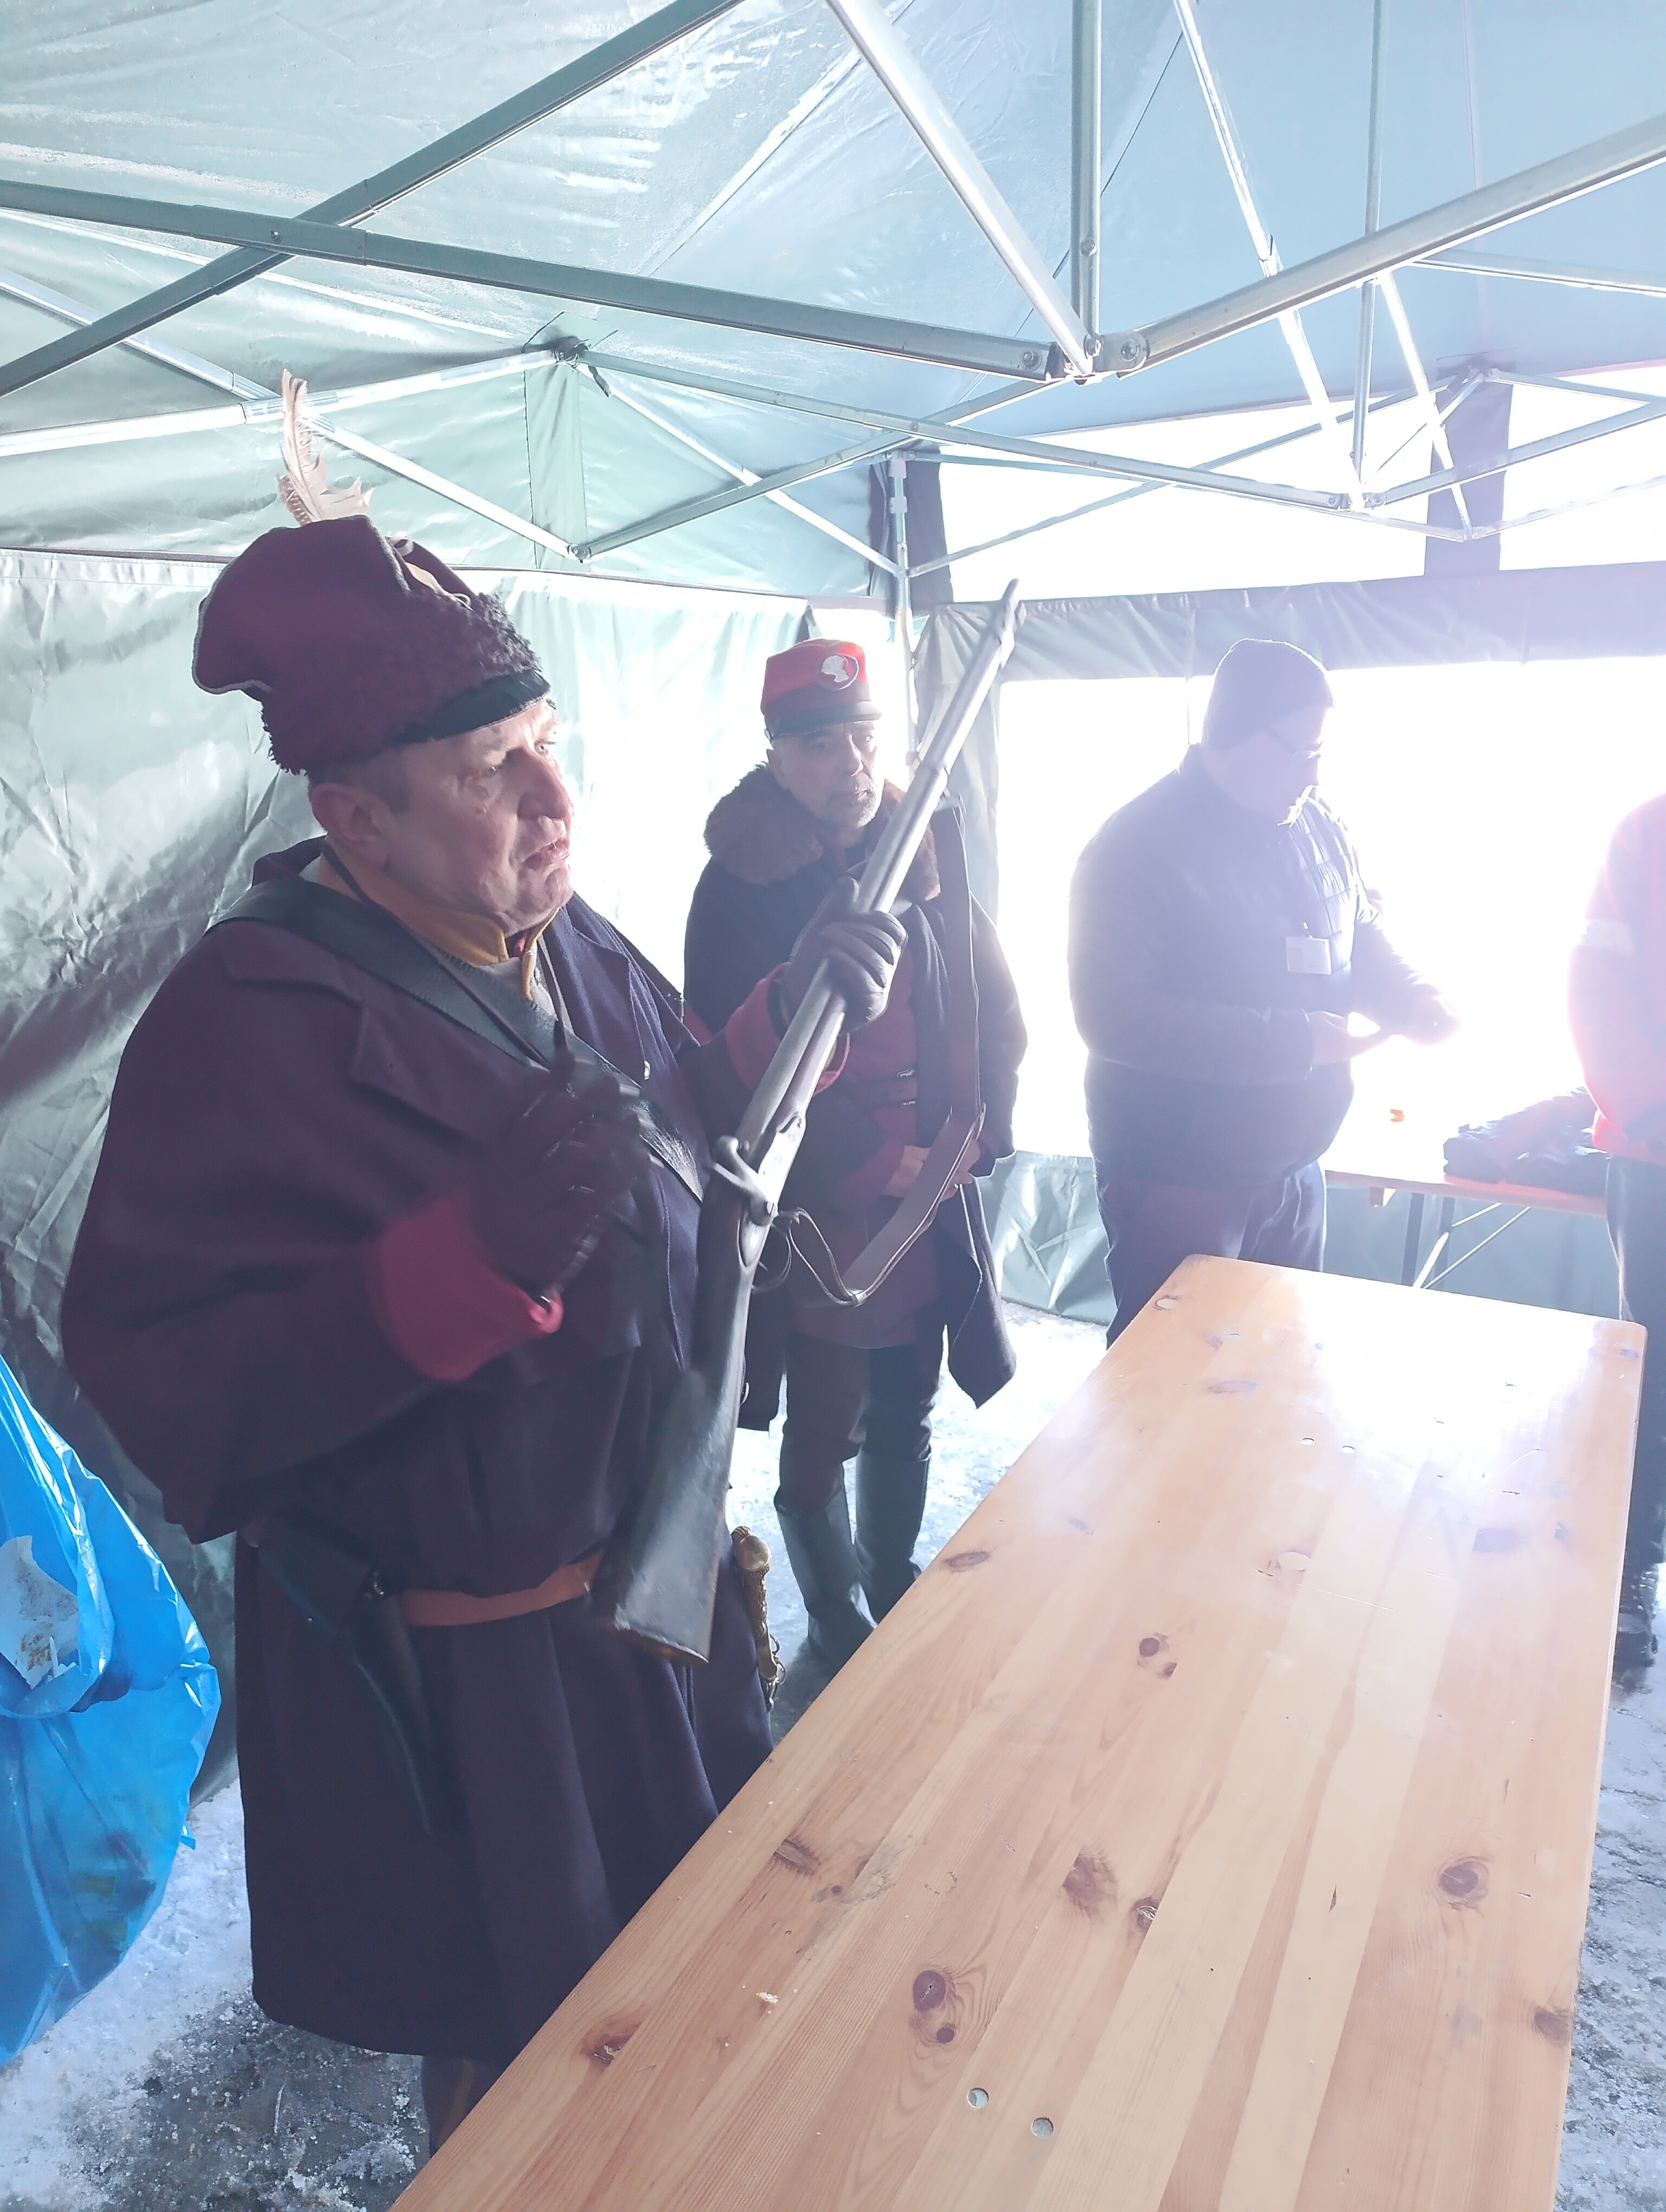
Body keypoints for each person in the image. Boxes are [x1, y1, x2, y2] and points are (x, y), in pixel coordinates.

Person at [60, 515, 904, 2152]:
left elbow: (669, 1130)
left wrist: (778, 1019)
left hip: (650, 1608)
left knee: (679, 1998)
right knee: (524, 2070)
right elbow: (166, 1392)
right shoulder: (244, 1021)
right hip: (477, 1677)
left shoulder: (559, 937)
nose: (551, 799)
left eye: (545, 744)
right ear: (355, 817)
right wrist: (456, 1268)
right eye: (486, 770)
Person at [683, 639, 1025, 1670]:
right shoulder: (737, 888)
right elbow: (726, 1057)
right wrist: (867, 1162)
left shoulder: (925, 853)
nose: (853, 765)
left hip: (934, 1167)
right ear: (778, 759)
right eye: (822, 745)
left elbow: (992, 1009)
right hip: (823, 1195)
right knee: (826, 1422)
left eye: (865, 737)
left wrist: (974, 1134)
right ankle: (837, 1617)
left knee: (909, 1401)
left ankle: (892, 1579)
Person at [1068, 638, 1456, 1340]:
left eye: (1321, 751)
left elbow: (1357, 930)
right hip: (1179, 1174)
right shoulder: (1136, 845)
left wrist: (1411, 996)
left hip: (1296, 1164)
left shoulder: (1318, 821)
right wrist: (1296, 1042)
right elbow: (1114, 1015)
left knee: (1278, 1365)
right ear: (1236, 733)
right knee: (1170, 1377)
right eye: (1303, 752)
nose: (1316, 772)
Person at [1569, 795, 1666, 1669]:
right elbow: (1596, 989)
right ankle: (1632, 1565)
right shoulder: (1648, 832)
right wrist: (1651, 1115)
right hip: (1658, 1154)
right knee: (1654, 1372)